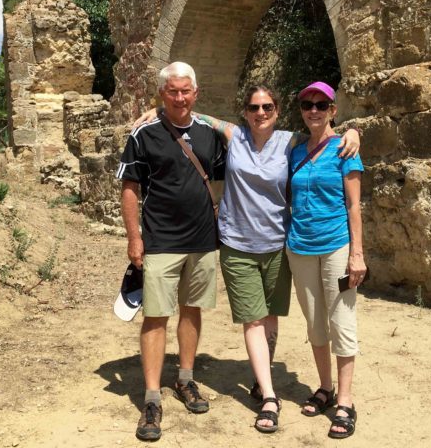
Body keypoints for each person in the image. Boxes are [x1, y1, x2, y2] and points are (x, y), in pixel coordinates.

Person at [133, 86, 360, 434]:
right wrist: (160, 112)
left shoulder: (291, 142)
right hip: (240, 244)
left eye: (268, 106)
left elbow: (324, 134)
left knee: (277, 316)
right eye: (254, 107)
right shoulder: (234, 135)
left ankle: (315, 391)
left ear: (278, 109)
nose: (261, 112)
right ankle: (270, 394)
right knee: (258, 319)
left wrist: (353, 131)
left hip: (282, 244)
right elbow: (200, 117)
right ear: (245, 111)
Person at [117, 61, 226, 442]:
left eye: (185, 91)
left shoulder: (210, 134)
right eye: (172, 91)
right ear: (161, 94)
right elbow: (130, 188)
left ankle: (185, 379)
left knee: (192, 310)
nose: (179, 97)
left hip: (201, 239)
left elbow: (231, 168)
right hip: (160, 240)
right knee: (156, 316)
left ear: (196, 93)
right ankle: (151, 397)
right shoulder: (144, 133)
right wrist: (135, 237)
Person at [285, 81, 366, 440]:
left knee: (341, 322)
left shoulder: (345, 149)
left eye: (321, 104)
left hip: (335, 247)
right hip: (299, 248)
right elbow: (244, 132)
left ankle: (345, 401)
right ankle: (325, 387)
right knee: (315, 323)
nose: (313, 110)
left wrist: (357, 255)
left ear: (333, 110)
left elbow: (353, 205)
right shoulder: (295, 150)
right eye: (307, 105)